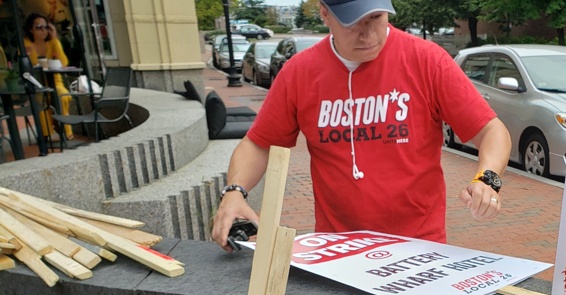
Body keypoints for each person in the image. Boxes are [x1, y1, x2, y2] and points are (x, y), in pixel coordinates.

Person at [211, 0, 511, 250]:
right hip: (336, 247)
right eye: (353, 22)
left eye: (376, 18)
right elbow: (259, 143)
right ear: (324, 13)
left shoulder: (427, 60)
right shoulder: (299, 73)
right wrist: (235, 192)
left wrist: (487, 180)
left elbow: (491, 131)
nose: (368, 34)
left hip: (419, 245)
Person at [22, 12, 73, 140]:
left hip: (55, 81)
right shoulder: (26, 44)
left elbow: (64, 62)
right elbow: (29, 65)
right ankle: (46, 134)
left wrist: (55, 38)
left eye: (46, 27)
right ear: (31, 29)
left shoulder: (52, 43)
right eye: (39, 27)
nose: (43, 30)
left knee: (62, 96)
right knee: (40, 101)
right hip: (38, 82)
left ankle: (67, 132)